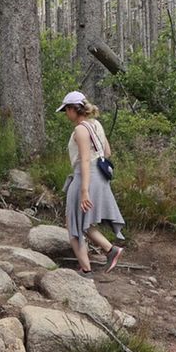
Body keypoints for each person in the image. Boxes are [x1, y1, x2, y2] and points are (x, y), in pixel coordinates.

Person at [56, 91, 125, 275]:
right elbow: (107, 152)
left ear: (73, 109)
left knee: (73, 225)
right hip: (100, 177)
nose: (66, 114)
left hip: (84, 178)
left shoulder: (80, 129)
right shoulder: (96, 124)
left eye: (66, 110)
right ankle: (110, 251)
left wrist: (84, 190)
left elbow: (85, 160)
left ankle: (86, 269)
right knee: (84, 223)